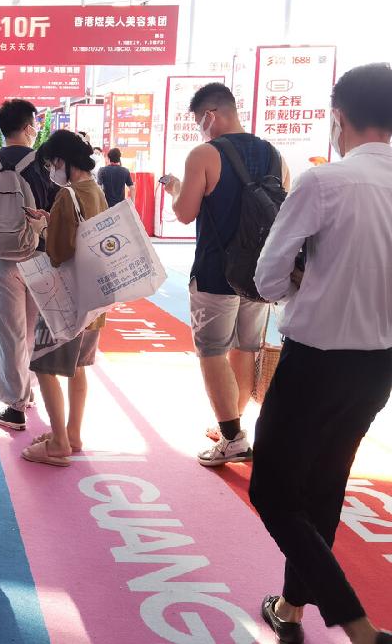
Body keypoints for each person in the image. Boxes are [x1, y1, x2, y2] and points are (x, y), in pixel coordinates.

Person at [250, 63, 392, 644]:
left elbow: (267, 277)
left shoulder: (325, 181)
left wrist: (302, 285)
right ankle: (289, 607)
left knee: (272, 492)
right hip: (378, 366)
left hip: (315, 360)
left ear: (338, 118)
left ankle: (358, 627)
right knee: (326, 484)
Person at [161, 82, 289, 466]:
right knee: (245, 348)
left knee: (212, 351)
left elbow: (185, 213)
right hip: (259, 274)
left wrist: (176, 189)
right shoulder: (275, 156)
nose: (200, 129)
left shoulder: (204, 154)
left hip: (215, 271)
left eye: (199, 122)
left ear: (210, 115)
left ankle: (232, 436)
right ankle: (233, 426)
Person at [20, 132, 108, 466]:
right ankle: (72, 433)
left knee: (45, 367)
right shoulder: (95, 191)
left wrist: (43, 229)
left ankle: (58, 442)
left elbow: (58, 252)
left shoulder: (67, 195)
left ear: (62, 161)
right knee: (78, 367)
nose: (51, 170)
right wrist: (51, 221)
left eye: (52, 163)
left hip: (66, 301)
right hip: (94, 299)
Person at [0, 98, 55, 431]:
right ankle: (27, 391)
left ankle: (14, 406)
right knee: (32, 329)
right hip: (39, 256)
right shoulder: (44, 166)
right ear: (28, 127)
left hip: (0, 260)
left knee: (10, 332)